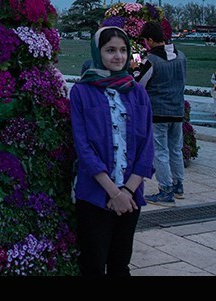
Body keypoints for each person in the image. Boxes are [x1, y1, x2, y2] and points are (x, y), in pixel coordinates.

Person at [69, 26, 154, 276]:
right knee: (93, 264)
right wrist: (113, 192)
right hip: (95, 194)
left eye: (123, 50)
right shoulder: (82, 92)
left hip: (130, 197)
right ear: (98, 53)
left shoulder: (137, 92)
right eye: (110, 50)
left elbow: (147, 144)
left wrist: (127, 191)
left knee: (120, 264)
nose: (118, 56)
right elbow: (83, 147)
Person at [135, 21, 187, 206]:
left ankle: (165, 190)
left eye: (145, 41)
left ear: (149, 39)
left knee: (160, 151)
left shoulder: (152, 60)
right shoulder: (181, 56)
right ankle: (178, 185)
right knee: (175, 149)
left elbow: (139, 84)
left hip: (158, 111)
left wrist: (135, 67)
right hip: (177, 110)